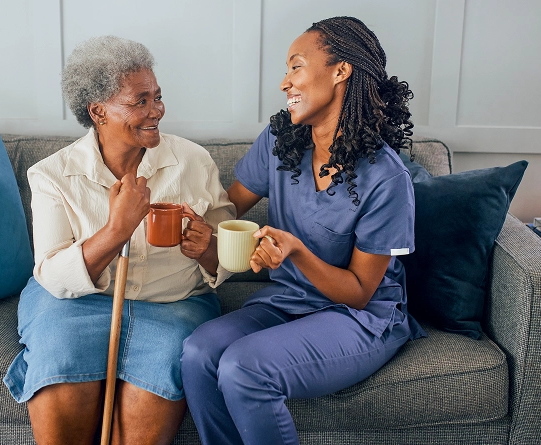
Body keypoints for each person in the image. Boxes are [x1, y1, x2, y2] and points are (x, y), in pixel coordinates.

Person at [180, 16, 427, 445]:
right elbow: (226, 211)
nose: (284, 82)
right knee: (198, 353)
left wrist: (294, 252)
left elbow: (358, 292)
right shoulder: (281, 141)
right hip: (287, 302)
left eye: (295, 66)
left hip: (360, 317)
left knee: (245, 367)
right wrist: (200, 231)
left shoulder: (386, 177)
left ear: (340, 70)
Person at [3, 35, 235, 445]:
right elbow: (54, 276)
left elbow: (227, 260)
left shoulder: (194, 161)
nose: (156, 111)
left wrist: (210, 249)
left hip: (173, 304)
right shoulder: (52, 175)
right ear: (98, 111)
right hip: (73, 304)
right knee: (60, 368)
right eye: (139, 101)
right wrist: (116, 230)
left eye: (157, 98)